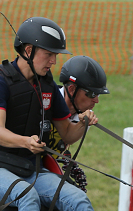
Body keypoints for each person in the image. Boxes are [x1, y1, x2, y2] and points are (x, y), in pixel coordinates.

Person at [0, 17, 105, 211]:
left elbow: (66, 132)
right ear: (28, 51)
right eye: (49, 54)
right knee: (28, 197)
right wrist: (25, 141)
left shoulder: (47, 85)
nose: (54, 62)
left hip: (31, 169)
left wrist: (84, 122)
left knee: (78, 199)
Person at [44, 55, 111, 193]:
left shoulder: (84, 118)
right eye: (92, 94)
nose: (96, 100)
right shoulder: (44, 101)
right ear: (72, 89)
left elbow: (62, 147)